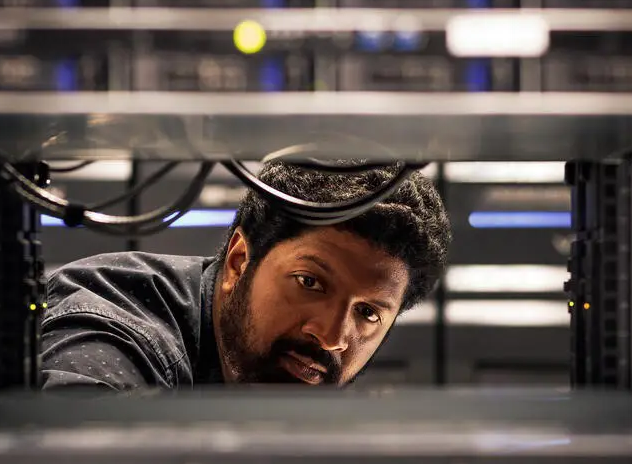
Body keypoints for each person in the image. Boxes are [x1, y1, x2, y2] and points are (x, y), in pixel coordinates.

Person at [40, 162, 451, 389]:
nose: (332, 335)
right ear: (238, 261)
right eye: (310, 283)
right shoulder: (120, 318)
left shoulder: (295, 376)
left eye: (368, 313)